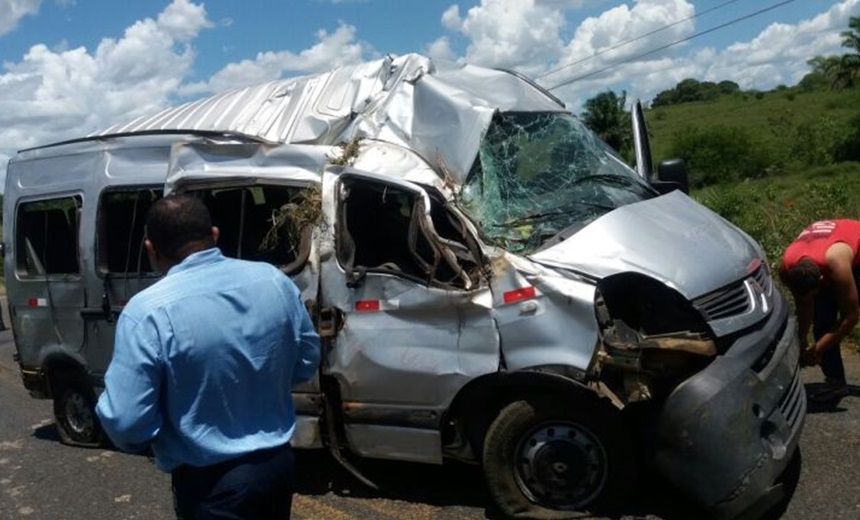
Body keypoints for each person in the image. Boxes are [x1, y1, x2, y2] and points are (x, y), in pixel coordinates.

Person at [96, 194, 321, 519]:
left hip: (212, 484)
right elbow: (304, 363)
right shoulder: (274, 281)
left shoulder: (146, 313)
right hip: (277, 468)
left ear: (150, 248)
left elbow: (127, 422)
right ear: (214, 235)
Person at [779, 219, 860, 402]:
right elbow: (804, 305)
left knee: (835, 318)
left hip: (852, 249)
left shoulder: (837, 263)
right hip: (825, 249)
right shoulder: (786, 269)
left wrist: (818, 349)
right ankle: (836, 383)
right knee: (822, 322)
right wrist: (802, 341)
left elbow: (851, 317)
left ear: (823, 279)